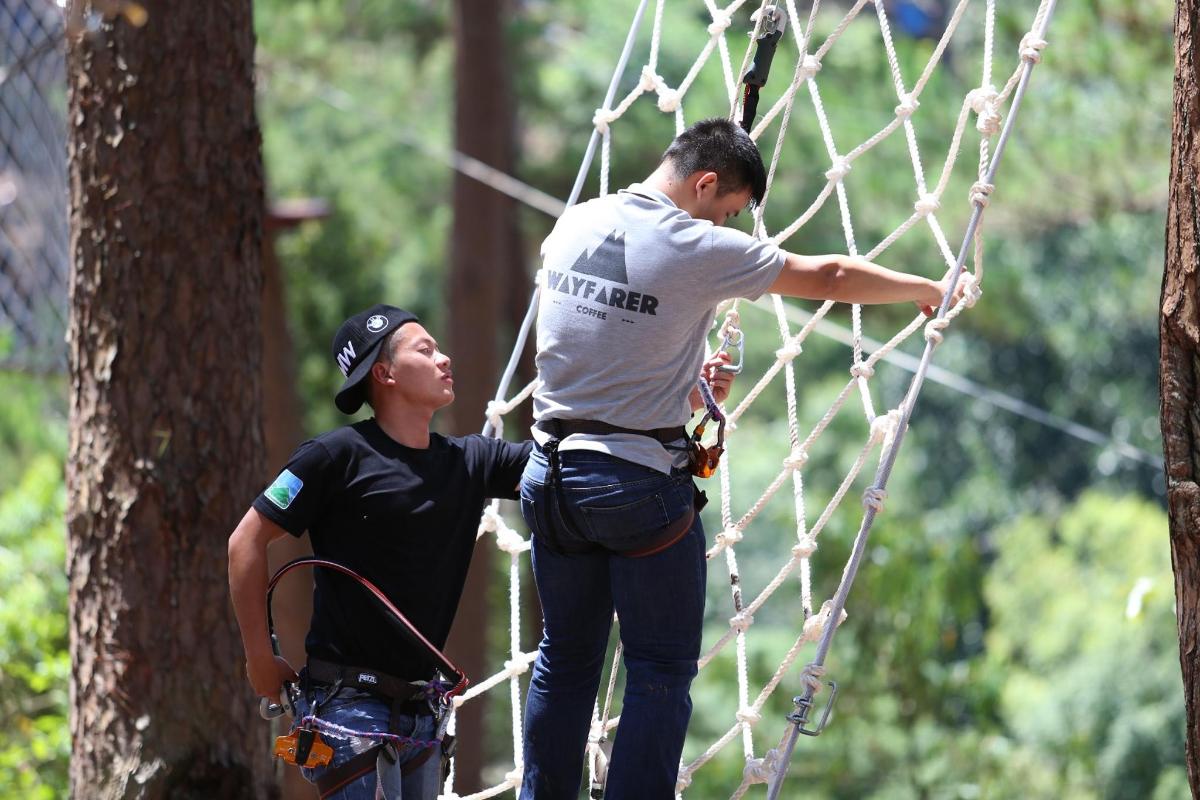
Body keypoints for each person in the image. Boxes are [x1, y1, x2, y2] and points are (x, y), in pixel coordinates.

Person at [519, 117, 967, 799]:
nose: (730, 225)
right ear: (704, 184)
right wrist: (926, 287)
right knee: (660, 671)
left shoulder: (577, 222)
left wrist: (689, 384)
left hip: (549, 475)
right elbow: (832, 274)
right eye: (729, 211)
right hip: (632, 487)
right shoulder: (694, 242)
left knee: (565, 659)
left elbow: (594, 344)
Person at [228, 304, 531, 800]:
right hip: (347, 714)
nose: (445, 358)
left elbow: (567, 457)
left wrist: (683, 399)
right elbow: (245, 541)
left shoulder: (471, 462)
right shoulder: (333, 457)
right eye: (425, 349)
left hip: (423, 715)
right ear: (384, 372)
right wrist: (260, 659)